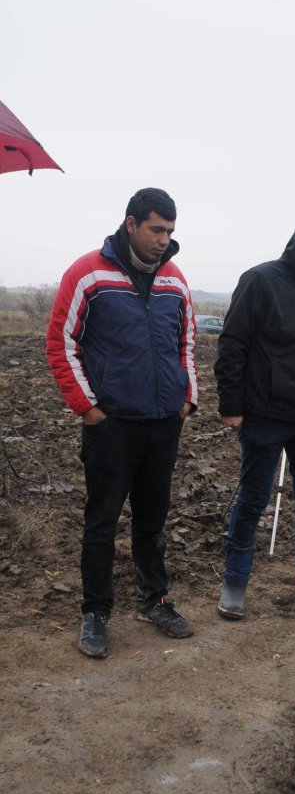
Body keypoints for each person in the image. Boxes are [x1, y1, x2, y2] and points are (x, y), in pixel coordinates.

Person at [46, 187, 197, 659]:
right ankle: (95, 611)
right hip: (111, 426)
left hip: (162, 423)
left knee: (152, 520)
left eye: (170, 231)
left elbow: (186, 342)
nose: (163, 239)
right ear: (131, 224)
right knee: (101, 521)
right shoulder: (88, 272)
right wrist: (88, 408)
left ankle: (156, 599)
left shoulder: (175, 280)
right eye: (156, 229)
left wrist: (187, 397)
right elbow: (60, 342)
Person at [214, 204, 295, 619]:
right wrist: (232, 405)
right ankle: (234, 583)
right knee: (252, 500)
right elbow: (232, 345)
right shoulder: (260, 281)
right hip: (264, 416)